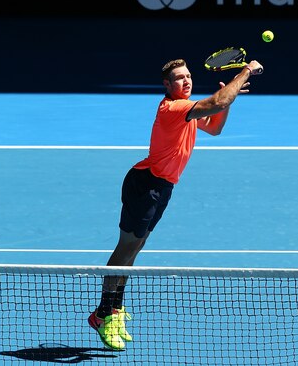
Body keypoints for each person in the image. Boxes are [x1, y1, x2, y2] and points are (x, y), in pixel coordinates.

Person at [88, 58, 264, 350]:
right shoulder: (173, 108)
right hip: (145, 184)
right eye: (179, 78)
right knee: (126, 248)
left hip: (163, 186)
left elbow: (215, 126)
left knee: (135, 249)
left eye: (188, 76)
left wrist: (227, 103)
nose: (186, 81)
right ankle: (103, 313)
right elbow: (216, 103)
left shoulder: (189, 110)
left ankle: (114, 310)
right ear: (167, 86)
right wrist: (245, 72)